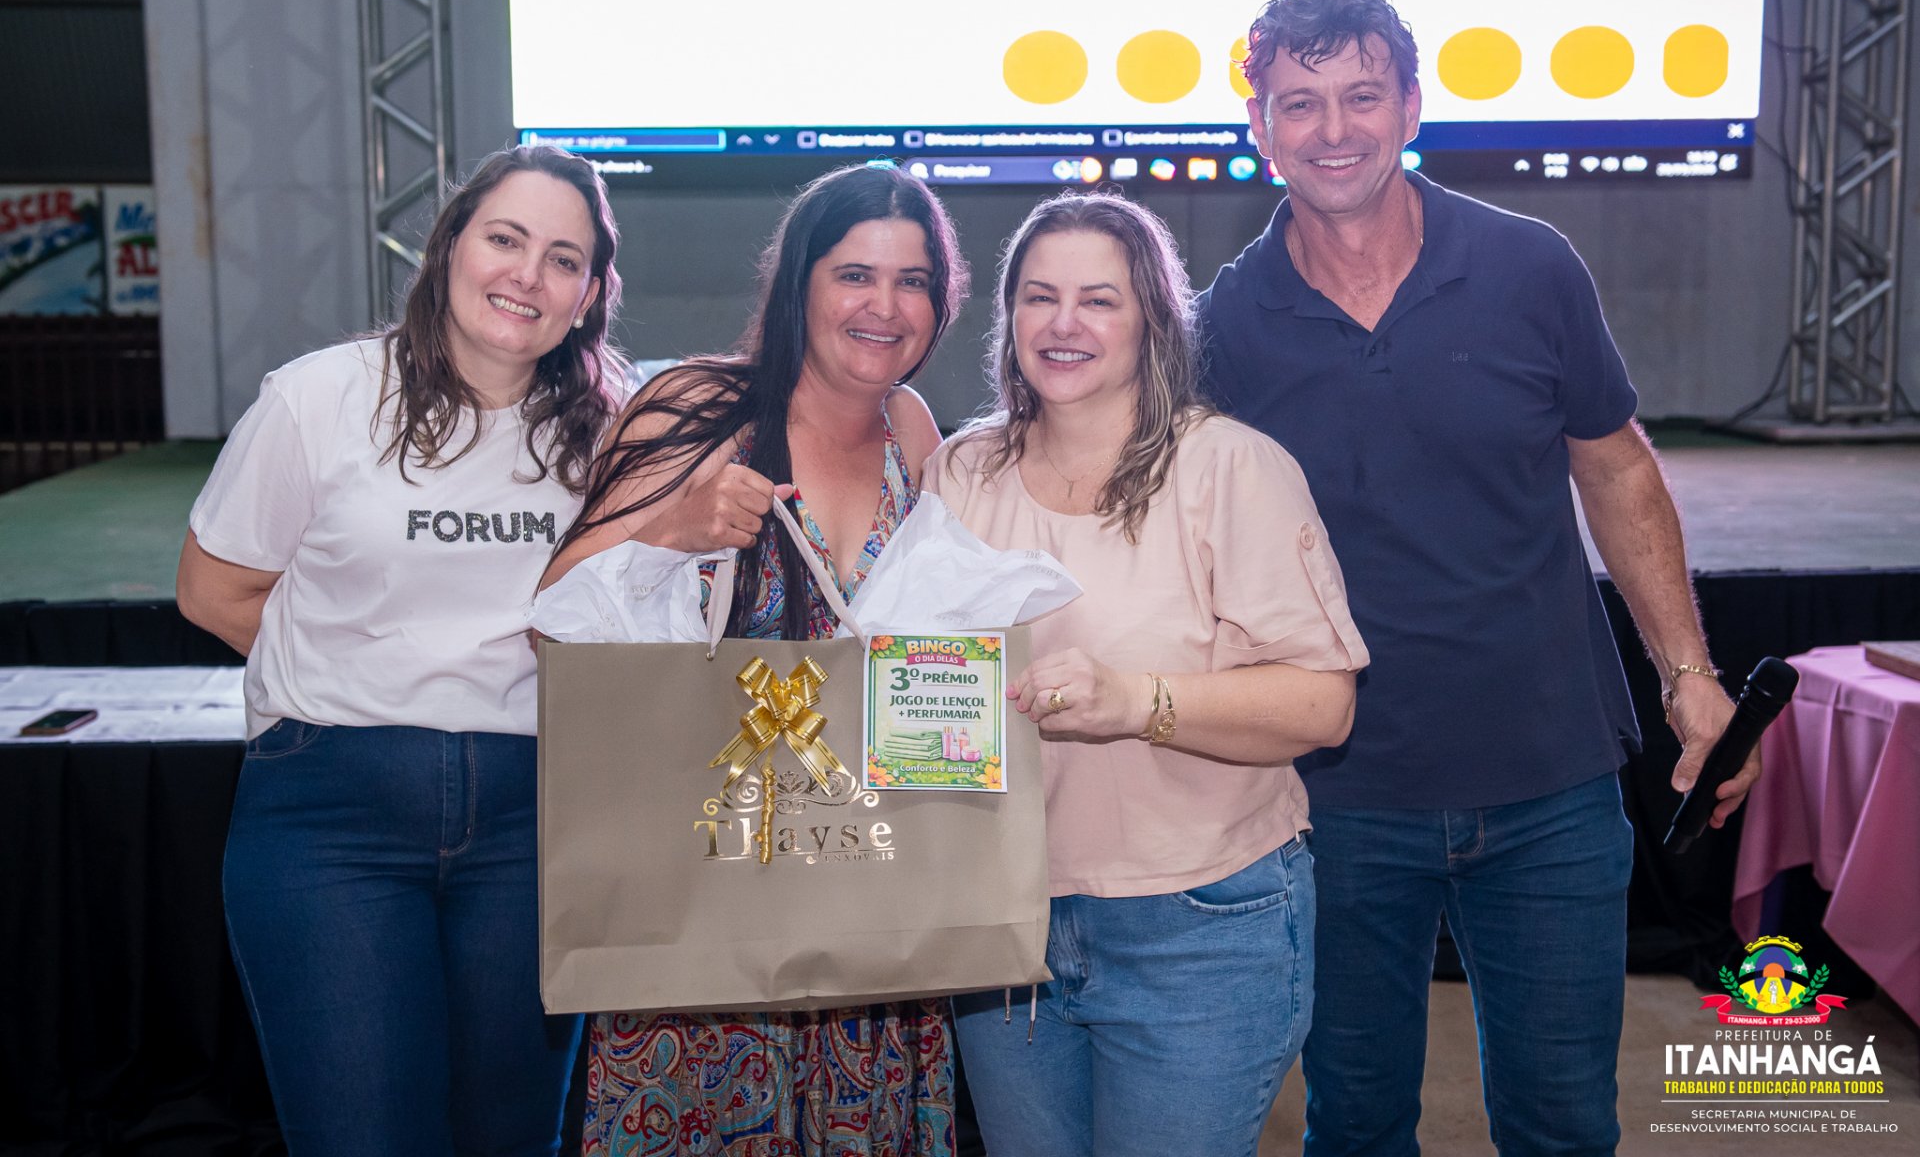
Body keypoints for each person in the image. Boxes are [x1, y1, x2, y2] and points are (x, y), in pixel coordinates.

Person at [1198, 0, 1759, 1156]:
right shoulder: (1226, 323)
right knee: (1356, 1125)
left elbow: (1616, 468)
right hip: (1335, 801)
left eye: (1362, 95)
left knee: (1563, 1124)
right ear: (1259, 125)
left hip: (1550, 785)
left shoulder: (1529, 266)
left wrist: (1688, 673)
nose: (1335, 129)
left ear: (1412, 105)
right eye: (1301, 102)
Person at [175, 144, 627, 1154]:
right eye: (504, 238)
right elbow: (212, 590)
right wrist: (373, 668)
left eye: (563, 259)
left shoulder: (617, 426)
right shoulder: (320, 397)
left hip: (539, 818)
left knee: (511, 1140)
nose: (527, 274)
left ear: (588, 295)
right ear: (450, 246)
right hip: (332, 815)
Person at [926, 191, 1368, 1157]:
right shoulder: (960, 474)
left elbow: (1324, 704)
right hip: (1003, 924)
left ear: (1153, 322)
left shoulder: (1231, 469)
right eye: (1039, 297)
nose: (1065, 324)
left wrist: (1135, 702)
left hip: (1200, 926)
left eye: (1099, 300)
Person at [540, 162, 965, 1157]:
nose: (885, 305)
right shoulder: (696, 405)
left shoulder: (912, 431)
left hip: (869, 895)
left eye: (911, 281)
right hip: (706, 891)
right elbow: (554, 620)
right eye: (855, 274)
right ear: (798, 284)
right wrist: (675, 530)